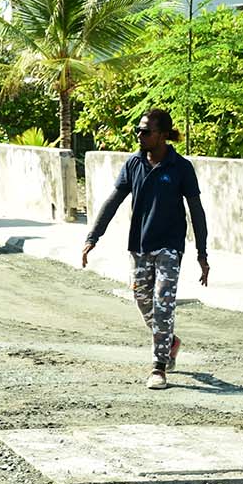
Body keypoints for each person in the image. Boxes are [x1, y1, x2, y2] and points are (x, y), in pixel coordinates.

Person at [82, 109, 210, 391]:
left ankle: (158, 367)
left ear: (163, 135)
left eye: (146, 131)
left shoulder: (181, 167)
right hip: (139, 245)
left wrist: (202, 253)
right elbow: (113, 201)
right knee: (143, 300)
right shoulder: (133, 164)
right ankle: (170, 341)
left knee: (163, 303)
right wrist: (93, 236)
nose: (140, 135)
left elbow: (196, 210)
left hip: (170, 247)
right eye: (138, 130)